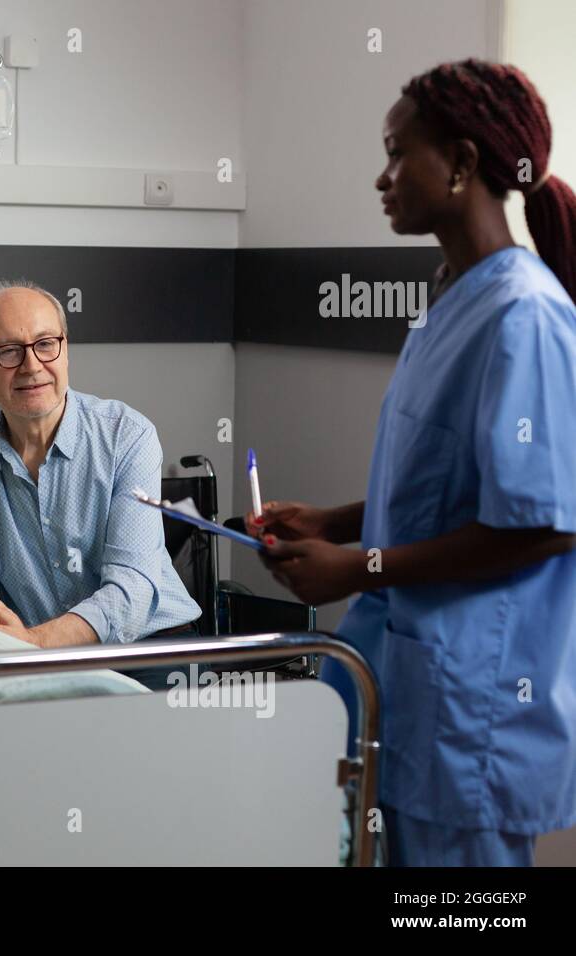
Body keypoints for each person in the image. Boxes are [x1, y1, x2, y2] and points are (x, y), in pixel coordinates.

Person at [247, 59, 576, 866]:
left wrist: (357, 567)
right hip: (407, 678)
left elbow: (541, 525)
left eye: (399, 154)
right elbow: (447, 485)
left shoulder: (524, 316)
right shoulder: (451, 300)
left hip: (475, 705)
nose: (382, 177)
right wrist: (332, 521)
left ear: (462, 165)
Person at [0, 279, 200, 651]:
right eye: (8, 351)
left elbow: (131, 589)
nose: (31, 366)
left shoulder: (127, 435)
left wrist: (35, 640)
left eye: (45, 345)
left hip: (148, 647)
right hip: (27, 654)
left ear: (65, 350)